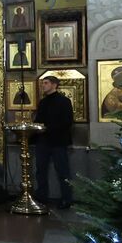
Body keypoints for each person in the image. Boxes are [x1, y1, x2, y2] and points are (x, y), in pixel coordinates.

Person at [33, 75, 74, 209]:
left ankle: (66, 199)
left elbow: (67, 122)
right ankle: (41, 197)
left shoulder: (64, 101)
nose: (43, 85)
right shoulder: (43, 102)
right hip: (43, 142)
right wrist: (34, 128)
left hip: (58, 142)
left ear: (54, 85)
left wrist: (47, 129)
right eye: (43, 83)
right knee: (40, 171)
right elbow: (38, 120)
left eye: (46, 83)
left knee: (62, 171)